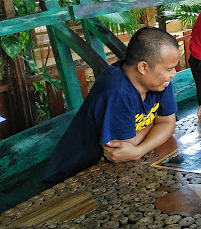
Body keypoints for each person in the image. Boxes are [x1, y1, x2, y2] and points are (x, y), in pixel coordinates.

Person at [44, 27, 179, 185]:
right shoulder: (116, 91)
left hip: (108, 170)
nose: (173, 73)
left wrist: (139, 150)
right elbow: (123, 149)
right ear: (143, 67)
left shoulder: (160, 81)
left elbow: (167, 124)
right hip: (72, 178)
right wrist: (155, 125)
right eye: (169, 69)